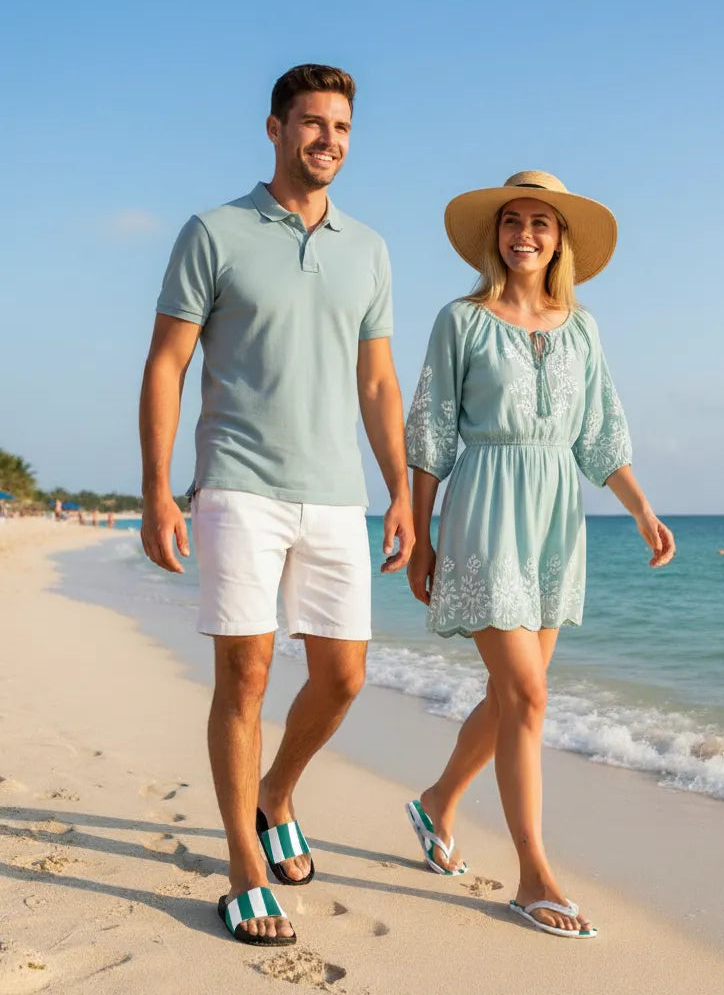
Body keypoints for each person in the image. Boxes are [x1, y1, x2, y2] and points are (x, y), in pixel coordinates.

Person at [139, 64, 413, 946]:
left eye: (341, 126)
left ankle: (276, 794)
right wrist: (156, 488)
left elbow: (378, 381)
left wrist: (401, 488)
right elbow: (167, 362)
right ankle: (243, 868)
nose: (328, 139)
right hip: (237, 484)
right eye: (312, 122)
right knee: (246, 673)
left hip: (337, 494)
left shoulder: (368, 249)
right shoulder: (214, 232)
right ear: (275, 129)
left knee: (344, 676)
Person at [404, 171, 674, 938]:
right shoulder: (461, 320)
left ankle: (436, 803)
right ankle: (533, 875)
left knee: (509, 697)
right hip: (485, 508)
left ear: (560, 241)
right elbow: (431, 433)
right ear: (496, 235)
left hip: (555, 519)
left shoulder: (582, 330)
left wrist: (643, 508)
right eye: (512, 220)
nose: (524, 234)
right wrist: (421, 534)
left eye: (540, 223)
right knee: (527, 695)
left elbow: (600, 435)